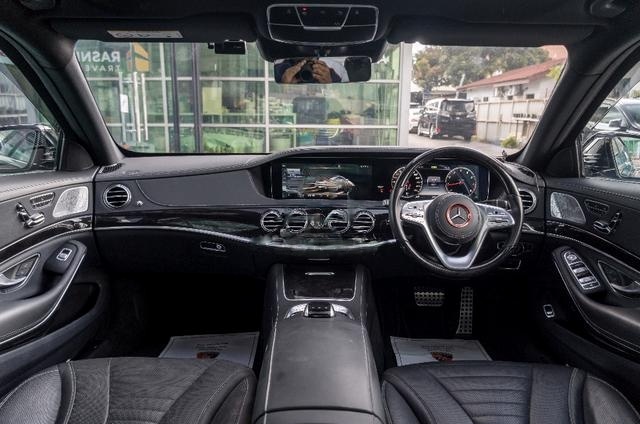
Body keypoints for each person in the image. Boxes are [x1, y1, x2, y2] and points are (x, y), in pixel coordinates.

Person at [274, 58, 346, 83]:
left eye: (310, 63)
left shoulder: (328, 70)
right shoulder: (280, 70)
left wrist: (329, 83)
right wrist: (284, 84)